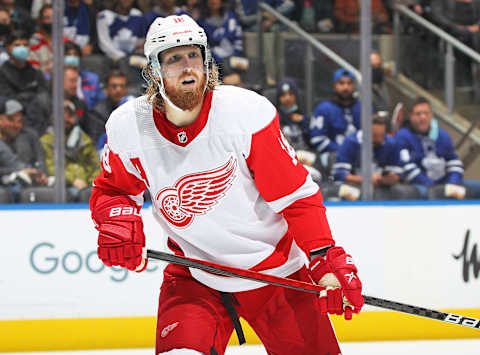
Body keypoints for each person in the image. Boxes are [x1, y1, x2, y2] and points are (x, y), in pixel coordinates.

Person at [89, 14, 364, 355]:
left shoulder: (244, 115)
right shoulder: (129, 127)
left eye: (194, 55)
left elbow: (296, 198)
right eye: (174, 59)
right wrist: (116, 219)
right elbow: (113, 190)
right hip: (194, 276)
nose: (187, 67)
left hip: (277, 275)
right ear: (154, 71)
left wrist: (324, 258)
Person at [395, 96, 480, 199]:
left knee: (474, 189)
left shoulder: (442, 135)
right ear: (411, 116)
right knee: (426, 194)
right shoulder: (403, 136)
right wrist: (433, 187)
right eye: (418, 114)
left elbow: (454, 162)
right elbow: (407, 168)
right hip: (420, 186)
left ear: (432, 115)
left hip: (445, 184)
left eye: (426, 113)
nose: (423, 117)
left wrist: (452, 182)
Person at [329, 113, 419, 201]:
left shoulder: (391, 144)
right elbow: (339, 174)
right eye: (374, 135)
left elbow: (398, 174)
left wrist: (389, 178)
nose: (379, 139)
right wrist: (367, 179)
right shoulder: (351, 142)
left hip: (381, 188)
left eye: (381, 135)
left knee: (401, 191)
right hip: (354, 186)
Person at [41, 99, 100, 202]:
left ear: (75, 117)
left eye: (70, 115)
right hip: (63, 186)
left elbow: (96, 167)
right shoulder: (46, 141)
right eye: (62, 115)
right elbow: (51, 168)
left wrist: (90, 184)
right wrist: (73, 180)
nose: (66, 119)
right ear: (52, 117)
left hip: (86, 186)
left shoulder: (85, 141)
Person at [309, 68, 361, 175]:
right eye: (341, 83)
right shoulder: (323, 109)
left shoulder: (362, 107)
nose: (345, 87)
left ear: (354, 86)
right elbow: (316, 139)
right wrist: (343, 150)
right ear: (334, 85)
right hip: (333, 156)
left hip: (359, 157)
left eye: (349, 83)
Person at [0, 30, 47, 108]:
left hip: (36, 114)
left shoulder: (36, 72)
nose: (22, 48)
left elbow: (44, 96)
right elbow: (8, 99)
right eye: (17, 45)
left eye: (25, 45)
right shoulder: (2, 73)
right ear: (7, 48)